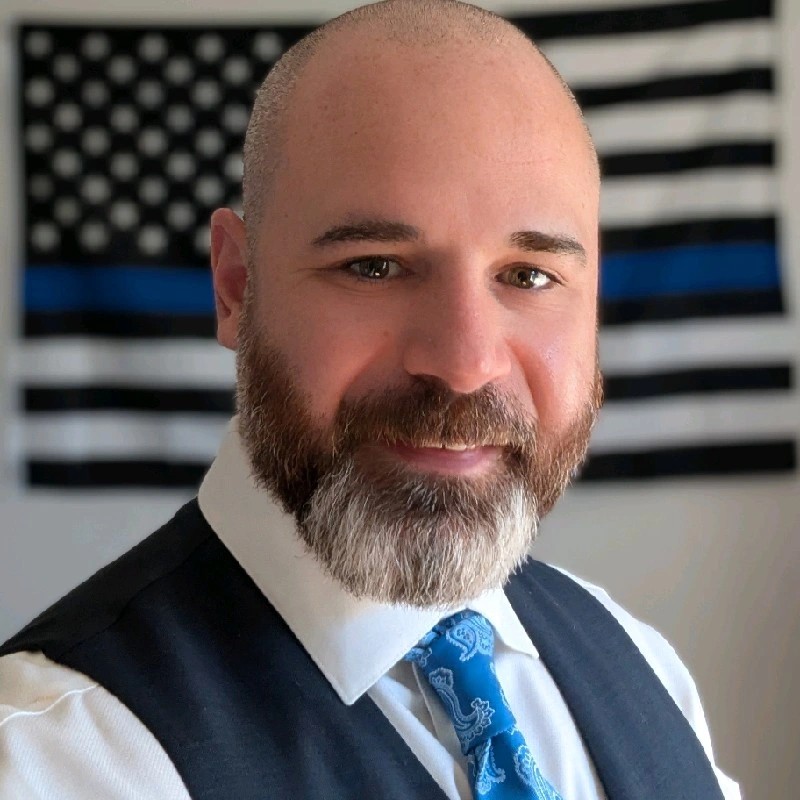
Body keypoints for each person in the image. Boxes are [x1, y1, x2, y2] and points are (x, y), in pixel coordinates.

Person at [0, 1, 740, 798]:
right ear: (236, 286)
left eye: (529, 276)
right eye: (374, 266)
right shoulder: (50, 760)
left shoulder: (646, 669)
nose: (464, 365)